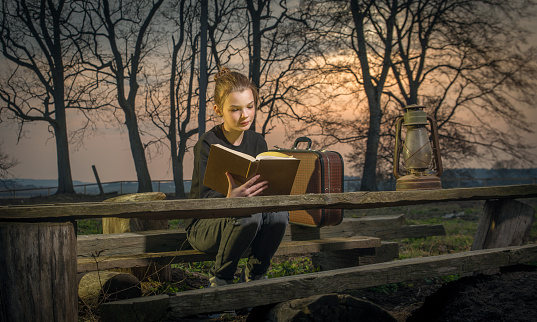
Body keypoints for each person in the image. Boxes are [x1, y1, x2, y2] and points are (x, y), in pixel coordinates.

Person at [185, 67, 289, 287]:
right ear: (218, 109)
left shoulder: (258, 142)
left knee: (279, 214)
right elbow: (202, 200)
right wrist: (229, 200)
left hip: (249, 224)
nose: (245, 115)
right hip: (205, 225)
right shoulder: (208, 142)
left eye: (250, 107)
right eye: (235, 109)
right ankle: (221, 281)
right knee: (246, 214)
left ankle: (255, 277)